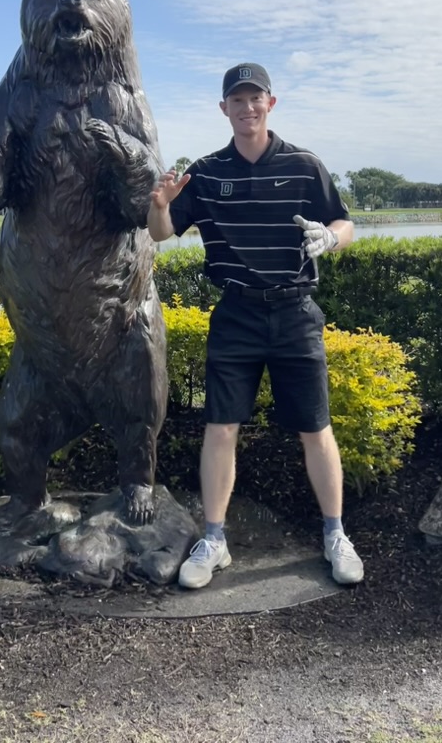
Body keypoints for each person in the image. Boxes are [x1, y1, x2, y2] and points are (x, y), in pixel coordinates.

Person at [147, 63, 364, 589]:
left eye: (255, 98)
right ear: (224, 109)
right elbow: (161, 233)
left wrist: (330, 239)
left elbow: (345, 222)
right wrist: (157, 206)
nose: (247, 108)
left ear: (271, 103)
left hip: (294, 314)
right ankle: (215, 538)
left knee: (316, 428)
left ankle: (335, 534)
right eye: (236, 100)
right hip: (237, 313)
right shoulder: (207, 171)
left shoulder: (303, 165)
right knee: (221, 427)